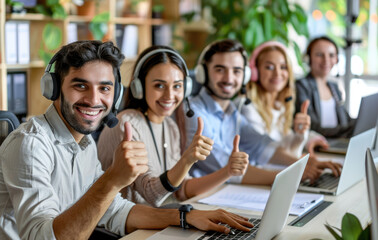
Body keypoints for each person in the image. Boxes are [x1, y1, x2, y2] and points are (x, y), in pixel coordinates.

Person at [0, 40, 253, 240]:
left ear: (117, 93)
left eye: (105, 88)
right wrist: (112, 180)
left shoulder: (84, 143)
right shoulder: (30, 145)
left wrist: (185, 217)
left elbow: (115, 211)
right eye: (80, 86)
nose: (94, 99)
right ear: (53, 88)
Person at [97, 45, 248, 207]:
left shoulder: (170, 126)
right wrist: (186, 160)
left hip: (151, 222)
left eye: (177, 86)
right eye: (159, 86)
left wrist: (227, 172)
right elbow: (152, 194)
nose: (169, 96)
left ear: (186, 88)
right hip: (124, 229)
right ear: (139, 87)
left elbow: (181, 189)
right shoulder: (127, 124)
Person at [182, 39, 341, 186]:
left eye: (236, 71)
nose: (229, 78)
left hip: (229, 191)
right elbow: (226, 168)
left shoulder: (232, 112)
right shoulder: (194, 113)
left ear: (245, 75)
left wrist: (304, 163)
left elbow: (262, 147)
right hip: (203, 198)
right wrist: (290, 176)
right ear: (202, 72)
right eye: (219, 70)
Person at [235, 41, 340, 166]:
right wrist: (302, 158)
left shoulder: (279, 106)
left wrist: (301, 135)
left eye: (283, 67)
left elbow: (289, 148)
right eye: (269, 67)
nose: (277, 73)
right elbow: (268, 154)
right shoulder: (246, 107)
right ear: (254, 72)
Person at [296, 36, 355, 138]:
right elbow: (314, 128)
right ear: (308, 58)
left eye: (331, 55)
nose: (326, 60)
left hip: (336, 144)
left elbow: (346, 120)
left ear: (337, 59)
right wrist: (348, 130)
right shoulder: (301, 86)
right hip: (317, 146)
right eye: (319, 55)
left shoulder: (334, 87)